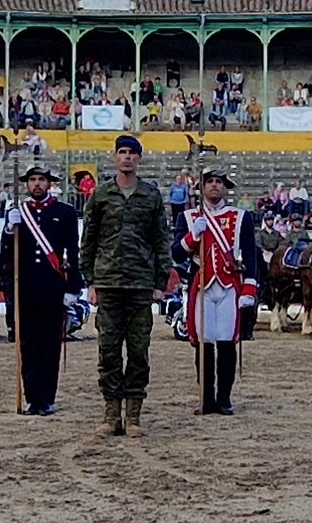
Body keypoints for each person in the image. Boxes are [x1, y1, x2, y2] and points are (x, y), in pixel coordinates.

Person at [82, 134, 171, 437]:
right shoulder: (101, 194)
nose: (127, 157)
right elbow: (89, 240)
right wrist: (90, 281)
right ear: (114, 157)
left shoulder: (151, 195)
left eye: (132, 153)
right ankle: (111, 414)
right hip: (107, 283)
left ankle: (133, 415)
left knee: (138, 351)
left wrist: (160, 282)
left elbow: (161, 240)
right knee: (107, 351)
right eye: (122, 152)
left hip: (140, 284)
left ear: (139, 159)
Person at [0, 165, 81, 416]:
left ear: (50, 183)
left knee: (49, 346)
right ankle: (32, 397)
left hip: (52, 288)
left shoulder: (64, 213)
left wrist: (72, 287)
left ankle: (46, 399)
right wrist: (8, 229)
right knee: (28, 345)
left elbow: (72, 252)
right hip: (24, 288)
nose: (36, 184)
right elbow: (6, 252)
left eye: (41, 180)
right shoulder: (17, 213)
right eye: (32, 179)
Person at [182, 170, 262, 416]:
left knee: (227, 341)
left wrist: (249, 287)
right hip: (203, 285)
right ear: (202, 188)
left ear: (225, 188)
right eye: (210, 182)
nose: (214, 186)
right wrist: (193, 235)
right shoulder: (189, 217)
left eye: (219, 182)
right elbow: (177, 253)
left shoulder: (241, 217)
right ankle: (206, 399)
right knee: (204, 344)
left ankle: (224, 398)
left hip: (229, 286)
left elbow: (250, 254)